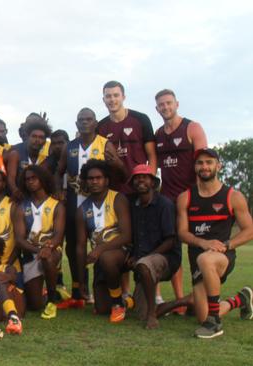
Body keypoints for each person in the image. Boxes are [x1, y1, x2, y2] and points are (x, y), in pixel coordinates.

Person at [175, 148, 253, 338]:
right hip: (198, 258)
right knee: (202, 315)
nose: (205, 166)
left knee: (207, 259)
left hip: (222, 256)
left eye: (209, 162)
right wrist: (202, 242)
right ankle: (242, 299)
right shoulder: (185, 197)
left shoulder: (233, 196)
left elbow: (250, 230)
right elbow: (182, 233)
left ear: (218, 165)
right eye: (200, 163)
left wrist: (226, 245)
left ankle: (215, 323)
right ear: (195, 167)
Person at [55, 108, 124, 308]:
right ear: (76, 124)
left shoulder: (105, 144)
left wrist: (118, 163)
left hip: (100, 204)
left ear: (95, 123)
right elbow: (58, 172)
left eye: (89, 119)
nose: (85, 123)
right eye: (81, 120)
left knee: (100, 243)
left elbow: (119, 172)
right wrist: (58, 189)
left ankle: (107, 289)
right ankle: (78, 289)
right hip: (73, 203)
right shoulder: (70, 147)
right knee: (73, 246)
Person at [154, 88, 208, 310]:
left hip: (193, 199)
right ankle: (179, 301)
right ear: (157, 109)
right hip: (168, 201)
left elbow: (204, 162)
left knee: (198, 250)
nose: (165, 107)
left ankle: (204, 295)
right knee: (172, 249)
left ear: (177, 104)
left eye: (169, 103)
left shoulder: (192, 128)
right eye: (161, 105)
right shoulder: (157, 134)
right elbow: (153, 167)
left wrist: (200, 194)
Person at [75, 159, 132, 322]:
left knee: (107, 257)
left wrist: (100, 250)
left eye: (98, 177)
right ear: (85, 181)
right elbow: (80, 246)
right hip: (101, 260)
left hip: (123, 253)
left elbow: (126, 235)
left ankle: (117, 304)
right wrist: (81, 280)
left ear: (106, 180)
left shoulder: (118, 199)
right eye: (90, 178)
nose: (94, 181)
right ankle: (128, 301)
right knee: (101, 309)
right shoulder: (82, 209)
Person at [127, 164, 182, 329]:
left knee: (144, 265)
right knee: (140, 313)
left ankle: (153, 315)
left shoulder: (165, 204)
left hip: (166, 257)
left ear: (153, 182)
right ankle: (186, 300)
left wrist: (145, 258)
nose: (140, 180)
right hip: (144, 260)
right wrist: (131, 254)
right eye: (136, 178)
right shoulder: (134, 206)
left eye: (145, 177)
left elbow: (170, 240)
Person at [13, 165, 65, 319]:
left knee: (48, 258)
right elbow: (19, 239)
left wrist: (47, 248)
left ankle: (52, 300)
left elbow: (58, 235)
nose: (30, 182)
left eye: (34, 178)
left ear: (43, 179)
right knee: (34, 305)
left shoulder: (56, 205)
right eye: (27, 179)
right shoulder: (21, 207)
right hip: (31, 254)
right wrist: (38, 250)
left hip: (52, 251)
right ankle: (44, 293)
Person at [98, 80, 157, 194]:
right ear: (103, 99)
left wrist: (151, 183)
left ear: (123, 97)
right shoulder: (100, 127)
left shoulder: (141, 119)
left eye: (116, 95)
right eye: (108, 96)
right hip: (113, 190)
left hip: (139, 187)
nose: (112, 99)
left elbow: (152, 156)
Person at [7, 118, 52, 201]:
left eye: (41, 137)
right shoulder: (16, 154)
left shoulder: (47, 158)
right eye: (34, 136)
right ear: (28, 137)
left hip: (39, 201)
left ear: (45, 141)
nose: (37, 140)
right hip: (19, 199)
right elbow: (10, 178)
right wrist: (15, 191)